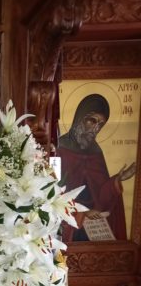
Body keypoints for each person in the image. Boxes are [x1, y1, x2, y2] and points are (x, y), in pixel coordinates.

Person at [57, 93, 136, 241]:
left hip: (94, 225)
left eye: (100, 124)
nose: (95, 128)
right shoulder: (60, 148)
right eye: (92, 121)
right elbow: (54, 194)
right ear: (80, 117)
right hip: (69, 225)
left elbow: (101, 194)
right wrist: (83, 212)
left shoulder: (96, 152)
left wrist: (118, 179)